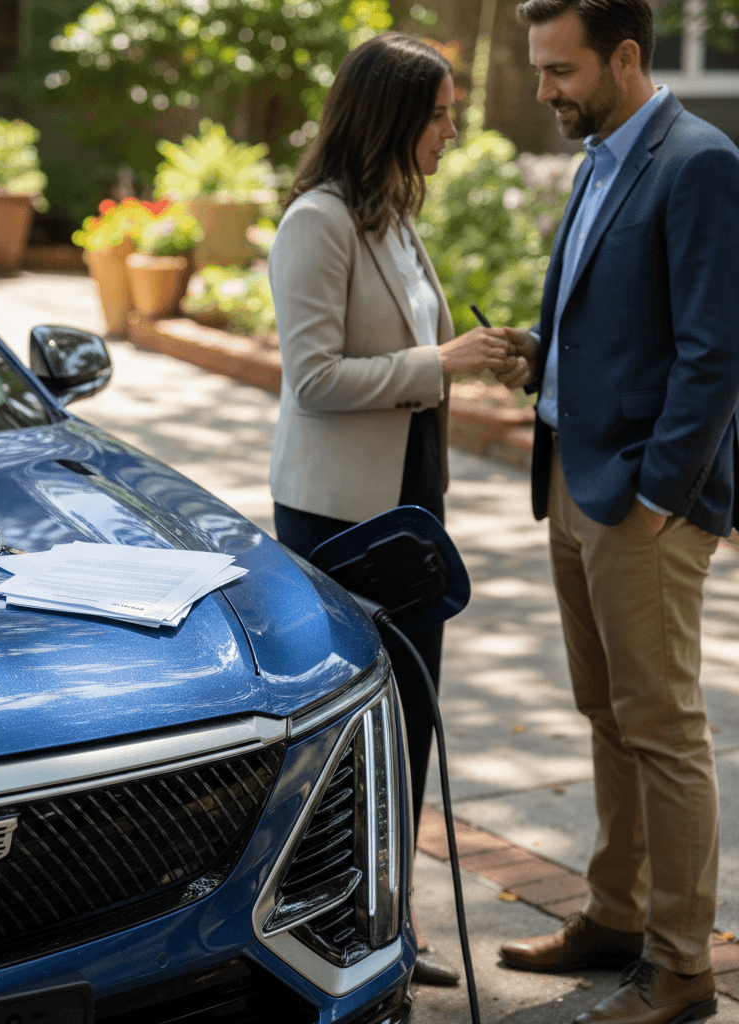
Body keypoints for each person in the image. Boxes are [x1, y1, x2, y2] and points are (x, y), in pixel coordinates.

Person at [493, 1, 739, 1021]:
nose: (544, 91)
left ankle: (680, 965)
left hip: (640, 503)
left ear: (626, 57)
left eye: (559, 71)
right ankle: (614, 913)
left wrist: (654, 497)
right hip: (570, 477)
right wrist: (540, 365)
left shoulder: (699, 162)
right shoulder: (601, 151)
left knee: (663, 727)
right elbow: (619, 320)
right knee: (607, 717)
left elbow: (713, 351)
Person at [267, 31, 512, 987]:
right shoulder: (317, 222)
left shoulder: (395, 219)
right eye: (442, 112)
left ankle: (392, 930)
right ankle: (341, 937)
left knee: (408, 721)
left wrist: (487, 354)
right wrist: (439, 366)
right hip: (342, 518)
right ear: (394, 117)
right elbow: (313, 378)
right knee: (346, 738)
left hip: (416, 497)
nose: (454, 127)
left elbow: (425, 344)